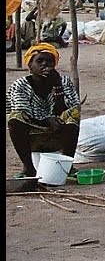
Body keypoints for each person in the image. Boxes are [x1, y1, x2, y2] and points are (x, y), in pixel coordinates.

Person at [7, 43, 81, 179]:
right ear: (30, 66)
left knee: (73, 115)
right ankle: (28, 168)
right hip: (31, 133)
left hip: (57, 133)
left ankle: (66, 165)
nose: (45, 65)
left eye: (49, 62)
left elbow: (68, 109)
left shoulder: (63, 82)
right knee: (15, 119)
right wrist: (46, 120)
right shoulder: (21, 85)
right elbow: (22, 112)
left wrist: (57, 87)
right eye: (39, 61)